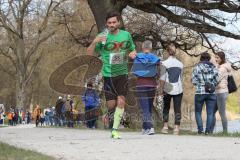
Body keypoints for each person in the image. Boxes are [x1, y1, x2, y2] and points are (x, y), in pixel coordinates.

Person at [87, 11, 136, 139]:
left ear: (118, 22)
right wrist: (94, 42)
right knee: (111, 105)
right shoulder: (102, 37)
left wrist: (133, 54)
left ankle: (115, 129)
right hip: (108, 74)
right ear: (106, 24)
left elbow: (132, 49)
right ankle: (109, 115)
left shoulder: (126, 35)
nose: (112, 24)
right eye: (109, 23)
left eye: (114, 22)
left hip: (122, 73)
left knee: (121, 101)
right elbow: (89, 54)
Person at [132, 40, 160, 135]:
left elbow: (135, 71)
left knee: (145, 107)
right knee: (148, 107)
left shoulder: (138, 57)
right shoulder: (155, 58)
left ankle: (151, 127)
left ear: (143, 47)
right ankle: (145, 128)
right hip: (152, 85)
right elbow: (159, 72)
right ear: (151, 48)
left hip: (141, 85)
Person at [192, 52, 219, 135]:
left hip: (200, 92)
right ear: (209, 59)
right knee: (210, 113)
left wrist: (200, 84)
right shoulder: (214, 68)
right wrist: (211, 84)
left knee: (198, 112)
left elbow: (193, 81)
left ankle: (200, 130)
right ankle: (207, 131)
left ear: (201, 58)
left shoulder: (197, 67)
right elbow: (217, 80)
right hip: (211, 92)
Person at [160, 43, 184, 135]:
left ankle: (165, 127)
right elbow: (181, 79)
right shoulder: (180, 64)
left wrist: (161, 90)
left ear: (167, 51)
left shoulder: (164, 63)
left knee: (166, 108)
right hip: (178, 88)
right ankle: (176, 128)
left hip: (167, 88)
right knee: (177, 109)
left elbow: (162, 78)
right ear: (175, 51)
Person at [210, 52, 231, 133]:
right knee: (211, 111)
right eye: (215, 57)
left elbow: (216, 79)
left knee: (222, 113)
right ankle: (211, 131)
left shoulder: (222, 68)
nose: (216, 59)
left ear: (222, 58)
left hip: (221, 92)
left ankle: (225, 132)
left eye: (217, 58)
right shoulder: (219, 67)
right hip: (218, 92)